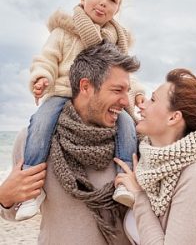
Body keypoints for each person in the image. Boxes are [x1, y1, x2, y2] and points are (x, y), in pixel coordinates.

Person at [17, 0, 145, 220]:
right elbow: (46, 60)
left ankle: (124, 180)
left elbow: (122, 77)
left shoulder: (115, 40)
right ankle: (30, 187)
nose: (104, 2)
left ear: (117, 8)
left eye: (113, 0)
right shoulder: (63, 31)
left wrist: (138, 94)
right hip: (62, 90)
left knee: (127, 124)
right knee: (40, 123)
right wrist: (42, 78)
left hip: (98, 102)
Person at [0, 41, 140, 245]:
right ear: (85, 87)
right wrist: (5, 197)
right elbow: (12, 213)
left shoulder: (131, 144)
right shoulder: (33, 141)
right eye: (117, 90)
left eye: (127, 91)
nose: (126, 101)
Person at [114, 68, 196, 245]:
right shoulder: (146, 168)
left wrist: (139, 196)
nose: (142, 105)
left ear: (173, 118)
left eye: (153, 99)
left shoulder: (195, 177)